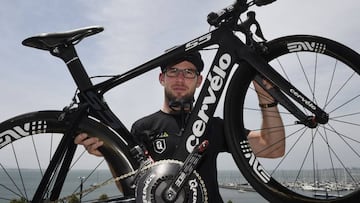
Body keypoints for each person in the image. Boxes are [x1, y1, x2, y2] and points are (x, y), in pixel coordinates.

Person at [75, 51, 285, 202]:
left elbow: (273, 147)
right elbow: (129, 186)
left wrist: (267, 101)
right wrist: (108, 152)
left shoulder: (213, 125)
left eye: (189, 72)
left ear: (199, 80)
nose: (180, 79)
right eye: (173, 71)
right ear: (162, 78)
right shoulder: (142, 127)